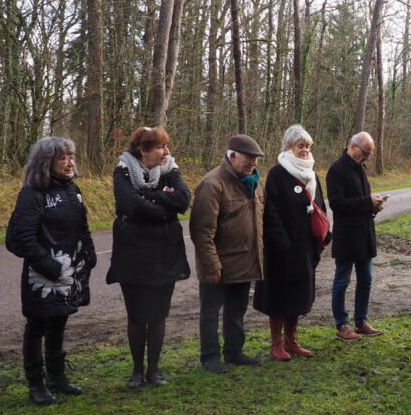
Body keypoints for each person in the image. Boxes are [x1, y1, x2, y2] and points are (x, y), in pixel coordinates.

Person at [6, 137, 96, 404]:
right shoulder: (33, 193)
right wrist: (49, 266)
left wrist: (88, 255)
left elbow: (82, 227)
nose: (70, 163)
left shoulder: (73, 189)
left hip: (69, 272)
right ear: (47, 162)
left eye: (72, 156)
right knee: (37, 326)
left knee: (59, 322)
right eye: (63, 157)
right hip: (42, 275)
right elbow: (20, 238)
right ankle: (36, 385)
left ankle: (57, 378)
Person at [106, 126, 190, 388]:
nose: (166, 152)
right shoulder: (122, 171)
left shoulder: (170, 170)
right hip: (132, 254)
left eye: (166, 146)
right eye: (160, 148)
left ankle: (153, 370)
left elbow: (183, 200)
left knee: (158, 315)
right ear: (143, 151)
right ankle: (136, 371)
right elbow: (128, 204)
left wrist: (149, 197)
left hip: (165, 253)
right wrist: (163, 207)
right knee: (136, 315)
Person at [190, 134, 266, 372]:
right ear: (232, 156)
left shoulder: (254, 183)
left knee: (237, 310)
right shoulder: (212, 184)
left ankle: (234, 352)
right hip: (219, 263)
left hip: (245, 260)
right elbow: (202, 232)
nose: (253, 163)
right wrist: (212, 264)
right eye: (248, 159)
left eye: (255, 159)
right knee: (211, 312)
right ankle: (210, 356)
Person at [256, 125, 328, 360]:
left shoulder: (313, 175)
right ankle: (276, 344)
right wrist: (283, 244)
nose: (305, 150)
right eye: (300, 146)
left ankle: (292, 341)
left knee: (299, 295)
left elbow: (320, 208)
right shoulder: (278, 174)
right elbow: (272, 213)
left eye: (307, 146)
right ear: (288, 147)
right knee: (279, 295)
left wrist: (323, 236)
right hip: (282, 249)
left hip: (306, 248)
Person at [327, 131, 387, 341]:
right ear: (352, 146)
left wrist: (374, 207)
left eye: (370, 155)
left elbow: (362, 200)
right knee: (342, 281)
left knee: (366, 279)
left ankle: (361, 322)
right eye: (365, 153)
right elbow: (337, 204)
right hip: (347, 235)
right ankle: (341, 324)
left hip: (364, 234)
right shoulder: (336, 170)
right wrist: (366, 202)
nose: (367, 158)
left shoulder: (360, 168)